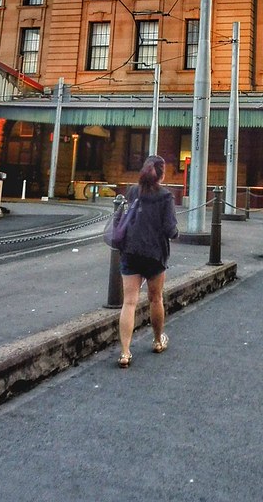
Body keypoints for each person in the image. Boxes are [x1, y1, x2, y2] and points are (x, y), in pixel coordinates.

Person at [117, 155, 179, 368]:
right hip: (154, 254)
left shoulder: (133, 191)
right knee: (155, 299)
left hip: (131, 251)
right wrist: (176, 232)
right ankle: (157, 340)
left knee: (129, 302)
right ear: (162, 174)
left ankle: (125, 352)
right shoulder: (165, 196)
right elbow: (171, 230)